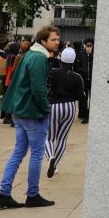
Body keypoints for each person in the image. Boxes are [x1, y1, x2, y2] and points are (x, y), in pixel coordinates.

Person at [0, 26, 61, 209]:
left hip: (20, 111)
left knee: (18, 153)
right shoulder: (40, 57)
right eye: (54, 40)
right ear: (43, 41)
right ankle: (32, 195)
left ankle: (4, 193)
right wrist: (45, 109)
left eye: (57, 39)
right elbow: (39, 89)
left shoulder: (30, 54)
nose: (57, 42)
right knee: (37, 154)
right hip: (32, 113)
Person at [45, 47, 86, 178]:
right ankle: (55, 164)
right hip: (70, 107)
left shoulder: (52, 72)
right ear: (74, 60)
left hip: (54, 106)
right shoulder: (77, 77)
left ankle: (50, 157)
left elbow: (46, 87)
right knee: (62, 138)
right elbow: (81, 96)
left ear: (61, 58)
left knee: (50, 137)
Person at [75, 37, 94, 124]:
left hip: (92, 80)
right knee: (83, 98)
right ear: (85, 45)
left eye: (90, 45)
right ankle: (82, 114)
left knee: (92, 98)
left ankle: (89, 115)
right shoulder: (80, 54)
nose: (89, 47)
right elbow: (76, 67)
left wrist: (90, 56)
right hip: (83, 80)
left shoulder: (94, 55)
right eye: (87, 45)